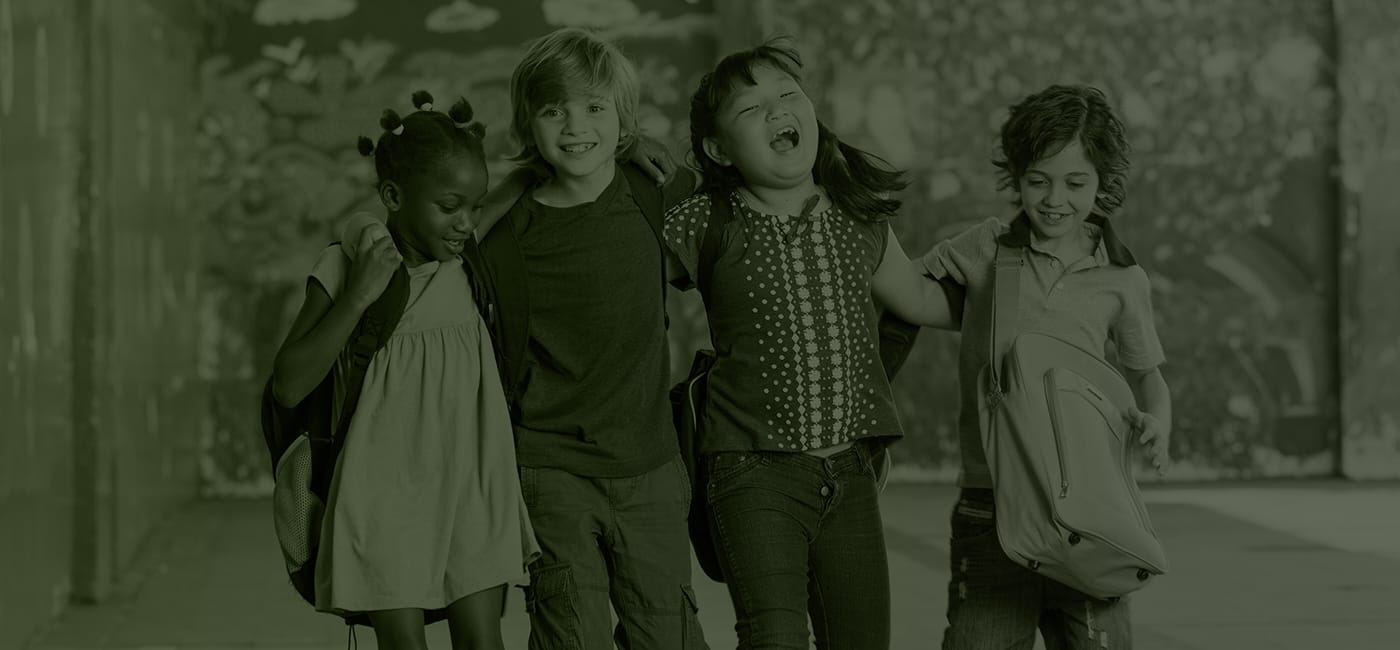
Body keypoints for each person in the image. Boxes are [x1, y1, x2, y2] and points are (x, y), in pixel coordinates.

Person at [662, 39, 956, 649]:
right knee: (775, 639)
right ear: (719, 149)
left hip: (850, 476)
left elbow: (922, 301)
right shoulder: (704, 222)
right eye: (750, 109)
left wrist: (1013, 275)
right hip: (749, 472)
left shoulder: (859, 216)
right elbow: (623, 285)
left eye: (787, 95)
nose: (776, 112)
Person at [270, 91, 539, 650]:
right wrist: (358, 297)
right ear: (394, 196)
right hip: (383, 495)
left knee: (484, 641)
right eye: (449, 206)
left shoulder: (464, 257)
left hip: (473, 484)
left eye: (475, 204)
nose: (467, 221)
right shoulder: (347, 265)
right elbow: (289, 382)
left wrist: (635, 148)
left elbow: (536, 170)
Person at [922, 84, 1173, 650]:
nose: (1054, 199)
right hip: (990, 505)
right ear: (1016, 177)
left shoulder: (1123, 279)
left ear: (1102, 184)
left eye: (1075, 183)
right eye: (1038, 181)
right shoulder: (984, 249)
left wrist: (1159, 421)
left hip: (1088, 510)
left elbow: (1147, 377)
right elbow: (909, 296)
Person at [491, 28, 707, 650]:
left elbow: (732, 218)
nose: (575, 125)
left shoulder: (654, 197)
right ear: (529, 123)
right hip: (548, 468)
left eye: (595, 107)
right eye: (554, 109)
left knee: (669, 635)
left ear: (623, 119)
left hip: (651, 465)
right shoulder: (508, 233)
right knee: (571, 636)